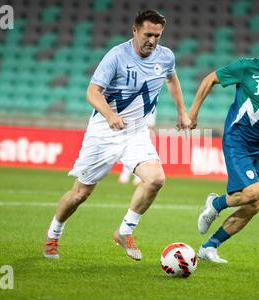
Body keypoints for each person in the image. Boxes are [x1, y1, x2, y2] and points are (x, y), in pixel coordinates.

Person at [43, 10, 191, 260]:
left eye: (157, 35)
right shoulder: (116, 56)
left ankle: (124, 232)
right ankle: (53, 234)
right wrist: (110, 116)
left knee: (155, 179)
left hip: (136, 133)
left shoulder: (165, 57)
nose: (152, 40)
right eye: (147, 34)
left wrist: (181, 112)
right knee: (80, 194)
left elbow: (172, 79)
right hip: (103, 133)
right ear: (134, 31)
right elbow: (92, 92)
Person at [188, 28, 259, 263]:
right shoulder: (245, 67)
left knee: (254, 205)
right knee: (253, 192)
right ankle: (215, 203)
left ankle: (209, 247)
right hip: (237, 140)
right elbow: (211, 79)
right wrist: (193, 112)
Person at [118, 111, 157, 185]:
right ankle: (126, 174)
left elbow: (151, 125)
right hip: (132, 130)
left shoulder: (151, 103)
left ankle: (137, 176)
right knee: (130, 151)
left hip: (142, 133)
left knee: (141, 153)